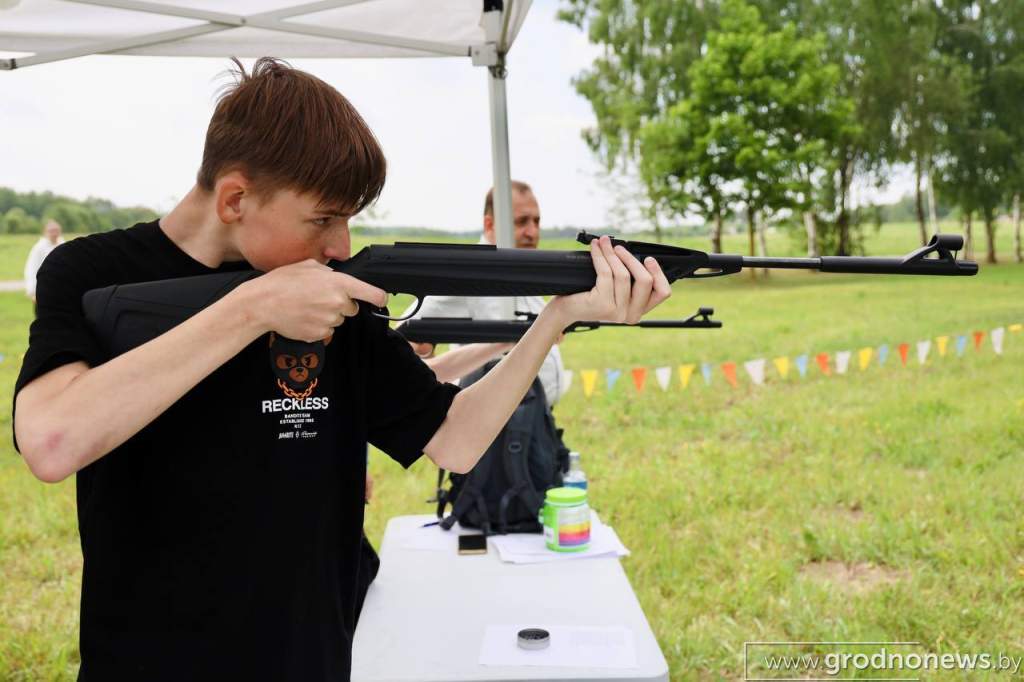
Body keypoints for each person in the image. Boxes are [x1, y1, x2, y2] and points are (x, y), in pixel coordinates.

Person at [12, 58, 671, 681]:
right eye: (323, 219)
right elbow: (49, 439)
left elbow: (456, 438)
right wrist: (253, 309)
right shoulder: (94, 274)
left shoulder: (329, 296)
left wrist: (551, 321)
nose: (341, 247)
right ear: (236, 198)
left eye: (349, 220)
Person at [403, 181, 566, 406]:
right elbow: (405, 335)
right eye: (521, 222)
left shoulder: (520, 268)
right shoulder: (470, 274)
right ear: (490, 225)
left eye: (536, 221)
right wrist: (423, 351)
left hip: (531, 421)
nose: (532, 232)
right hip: (489, 425)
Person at [23, 219, 64, 303]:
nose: (54, 233)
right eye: (51, 231)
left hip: (61, 288)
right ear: (45, 232)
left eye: (56, 230)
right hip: (44, 288)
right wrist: (32, 291)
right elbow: (31, 268)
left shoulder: (63, 244)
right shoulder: (39, 248)